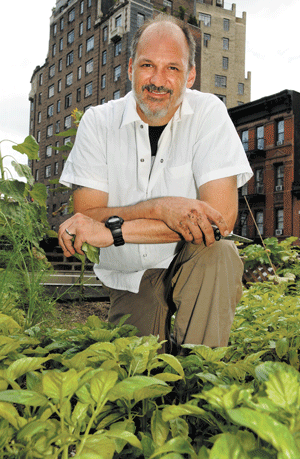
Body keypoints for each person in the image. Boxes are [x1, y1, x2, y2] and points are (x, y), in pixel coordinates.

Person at [58, 15, 253, 354]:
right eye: (148, 65)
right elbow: (86, 217)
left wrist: (115, 231)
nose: (158, 80)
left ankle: (199, 381)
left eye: (173, 68)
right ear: (131, 67)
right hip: (130, 275)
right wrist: (160, 208)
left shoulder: (209, 113)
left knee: (219, 252)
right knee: (139, 382)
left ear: (190, 75)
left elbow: (220, 219)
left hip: (194, 261)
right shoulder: (98, 123)